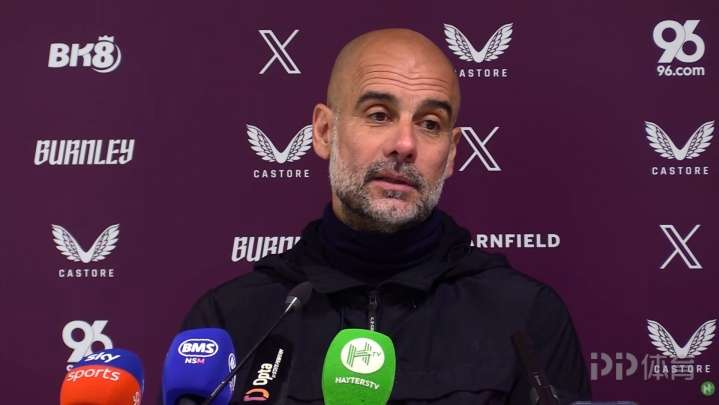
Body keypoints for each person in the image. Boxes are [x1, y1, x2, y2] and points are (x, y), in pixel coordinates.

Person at [180, 28, 591, 404]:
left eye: (430, 123)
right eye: (379, 115)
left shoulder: (525, 317)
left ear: (451, 154)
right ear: (324, 131)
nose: (405, 144)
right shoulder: (229, 323)